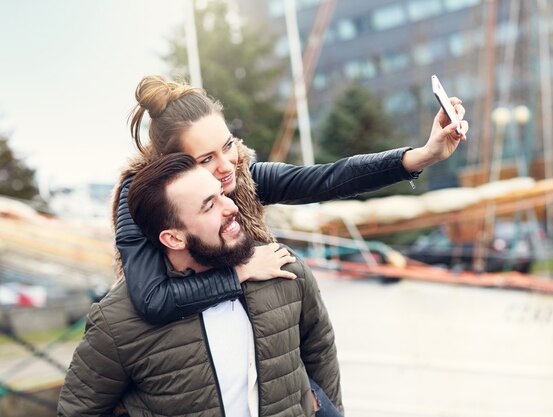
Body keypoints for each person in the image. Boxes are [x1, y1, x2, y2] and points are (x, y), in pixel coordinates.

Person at [114, 75, 469, 325]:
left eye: (227, 146)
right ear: (171, 165)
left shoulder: (243, 178)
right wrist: (242, 271)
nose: (227, 166)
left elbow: (329, 178)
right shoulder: (140, 201)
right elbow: (151, 299)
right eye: (206, 159)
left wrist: (422, 156)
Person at [58, 153, 342, 417]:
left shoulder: (282, 267)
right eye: (209, 206)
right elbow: (78, 411)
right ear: (174, 239)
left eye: (221, 194)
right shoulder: (117, 321)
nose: (230, 207)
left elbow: (321, 354)